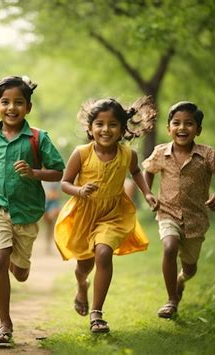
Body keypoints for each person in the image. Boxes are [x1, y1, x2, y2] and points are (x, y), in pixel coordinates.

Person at [0, 76, 65, 346]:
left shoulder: (38, 138)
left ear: (28, 108)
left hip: (28, 211)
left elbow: (59, 170)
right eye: (5, 102)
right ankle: (4, 325)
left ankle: (17, 261)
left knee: (19, 272)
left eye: (18, 103)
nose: (11, 107)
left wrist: (34, 173)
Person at [54, 97, 159, 334]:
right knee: (84, 267)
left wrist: (148, 194)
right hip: (84, 214)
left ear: (123, 129)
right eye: (99, 124)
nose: (106, 129)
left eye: (113, 124)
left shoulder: (128, 154)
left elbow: (136, 172)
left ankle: (97, 314)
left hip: (113, 214)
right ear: (90, 129)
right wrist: (79, 190)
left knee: (103, 252)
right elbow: (64, 183)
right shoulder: (81, 153)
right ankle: (82, 286)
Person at [142, 101, 215, 319]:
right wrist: (148, 193)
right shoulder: (160, 152)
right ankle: (171, 300)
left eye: (189, 124)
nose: (182, 128)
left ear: (198, 130)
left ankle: (181, 279)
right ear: (168, 128)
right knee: (169, 247)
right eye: (176, 123)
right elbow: (147, 170)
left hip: (196, 219)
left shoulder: (207, 154)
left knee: (190, 268)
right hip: (167, 212)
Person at [42, 181, 62, 254]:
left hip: (53, 203)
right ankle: (48, 245)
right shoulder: (42, 179)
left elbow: (58, 194)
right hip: (44, 202)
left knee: (51, 224)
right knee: (48, 225)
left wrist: (51, 195)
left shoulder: (56, 181)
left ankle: (51, 245)